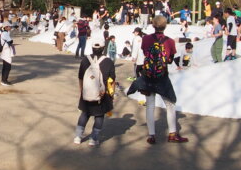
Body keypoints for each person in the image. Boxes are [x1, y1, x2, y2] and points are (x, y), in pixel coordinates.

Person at [127, 15, 188, 144]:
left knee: (150, 105)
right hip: (162, 76)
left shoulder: (146, 39)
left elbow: (145, 53)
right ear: (165, 26)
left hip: (148, 76)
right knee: (170, 104)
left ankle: (151, 135)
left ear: (153, 25)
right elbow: (170, 59)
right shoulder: (170, 41)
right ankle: (172, 133)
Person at [73, 42, 116, 147]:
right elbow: (112, 80)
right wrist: (112, 94)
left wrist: (81, 91)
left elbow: (80, 77)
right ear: (103, 48)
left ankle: (78, 137)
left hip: (86, 91)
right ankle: (93, 139)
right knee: (99, 115)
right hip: (101, 94)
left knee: (85, 113)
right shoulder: (108, 61)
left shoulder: (85, 60)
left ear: (92, 48)